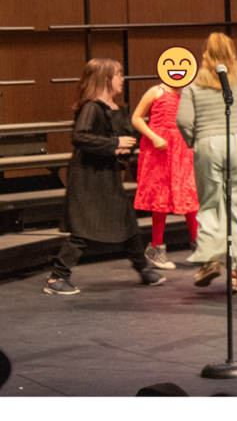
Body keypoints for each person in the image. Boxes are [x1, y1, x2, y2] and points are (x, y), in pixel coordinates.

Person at [44, 59, 165, 295]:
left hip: (106, 174)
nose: (122, 79)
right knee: (84, 227)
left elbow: (126, 138)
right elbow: (80, 136)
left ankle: (144, 269)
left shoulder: (115, 108)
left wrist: (122, 147)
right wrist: (114, 143)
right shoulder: (92, 107)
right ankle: (56, 278)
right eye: (118, 74)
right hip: (88, 176)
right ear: (105, 78)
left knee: (126, 221)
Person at [176, 32, 237, 292]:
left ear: (205, 54)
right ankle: (236, 272)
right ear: (232, 52)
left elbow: (183, 121)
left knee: (211, 205)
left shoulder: (194, 83)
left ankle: (210, 258)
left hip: (208, 145)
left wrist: (193, 141)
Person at [131, 78, 199, 270]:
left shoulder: (188, 93)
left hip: (183, 149)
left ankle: (198, 246)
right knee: (160, 197)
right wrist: (153, 137)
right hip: (160, 149)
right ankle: (155, 248)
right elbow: (136, 117)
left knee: (189, 194)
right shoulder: (156, 91)